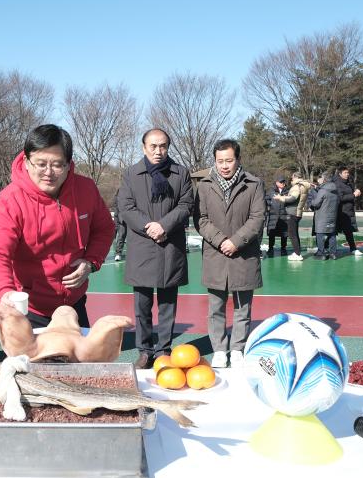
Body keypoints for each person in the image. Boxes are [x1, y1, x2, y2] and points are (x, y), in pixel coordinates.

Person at [0, 124, 115, 328]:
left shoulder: (86, 189)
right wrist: (4, 291)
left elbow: (104, 229)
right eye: (41, 163)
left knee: (81, 359)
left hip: (73, 305)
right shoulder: (11, 199)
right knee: (29, 361)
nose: (49, 172)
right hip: (29, 309)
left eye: (57, 164)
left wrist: (91, 262)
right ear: (26, 162)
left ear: (69, 164)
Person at [118, 128, 193, 369]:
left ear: (168, 147)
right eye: (153, 146)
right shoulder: (131, 174)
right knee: (141, 305)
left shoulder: (181, 173)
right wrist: (149, 227)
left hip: (170, 246)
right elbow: (126, 207)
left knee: (168, 304)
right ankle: (144, 350)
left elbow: (186, 204)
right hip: (142, 246)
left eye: (162, 146)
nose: (158, 151)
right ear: (143, 147)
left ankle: (163, 350)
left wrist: (164, 226)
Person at [193, 139, 265, 369]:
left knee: (243, 307)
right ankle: (219, 350)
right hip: (215, 255)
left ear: (238, 160)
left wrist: (235, 241)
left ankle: (237, 349)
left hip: (244, 255)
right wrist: (221, 240)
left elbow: (257, 218)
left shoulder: (253, 184)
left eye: (229, 160)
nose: (224, 165)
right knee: (215, 307)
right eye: (220, 161)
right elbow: (200, 219)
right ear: (214, 161)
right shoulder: (204, 185)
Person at [274, 171, 313, 261]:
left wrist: (281, 198)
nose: (291, 178)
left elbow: (292, 198)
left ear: (295, 177)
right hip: (297, 212)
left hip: (293, 212)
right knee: (295, 233)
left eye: (292, 177)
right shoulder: (303, 186)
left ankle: (297, 254)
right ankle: (297, 252)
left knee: (292, 234)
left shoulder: (297, 186)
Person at [307, 173, 339, 260]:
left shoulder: (323, 191)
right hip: (332, 216)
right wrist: (317, 187)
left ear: (324, 179)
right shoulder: (335, 190)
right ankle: (333, 253)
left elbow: (316, 203)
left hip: (322, 216)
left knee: (320, 234)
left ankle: (321, 253)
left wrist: (311, 201)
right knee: (332, 235)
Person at [334, 166, 362, 256]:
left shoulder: (348, 183)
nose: (347, 174)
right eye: (345, 173)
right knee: (337, 231)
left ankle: (353, 249)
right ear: (340, 173)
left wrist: (356, 192)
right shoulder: (338, 184)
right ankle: (324, 247)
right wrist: (353, 195)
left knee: (346, 231)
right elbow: (340, 198)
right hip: (341, 211)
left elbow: (350, 194)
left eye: (348, 172)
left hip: (348, 211)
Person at [264, 177, 289, 256]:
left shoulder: (287, 191)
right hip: (273, 215)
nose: (283, 184)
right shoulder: (271, 191)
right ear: (277, 182)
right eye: (281, 182)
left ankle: (283, 249)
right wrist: (270, 204)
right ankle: (270, 248)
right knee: (272, 232)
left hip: (284, 215)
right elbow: (266, 199)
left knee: (284, 233)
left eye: (284, 182)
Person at [113, 189, 127, 261]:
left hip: (131, 218)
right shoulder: (117, 198)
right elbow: (116, 211)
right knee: (121, 235)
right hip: (122, 220)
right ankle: (118, 253)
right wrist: (118, 220)